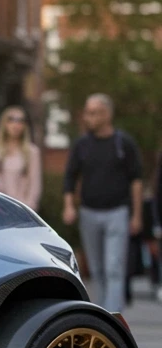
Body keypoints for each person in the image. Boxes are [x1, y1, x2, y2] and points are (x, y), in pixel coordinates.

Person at [63, 94, 143, 313]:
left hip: (117, 212)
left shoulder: (123, 143)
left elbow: (136, 180)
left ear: (107, 114)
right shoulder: (82, 145)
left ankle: (113, 316)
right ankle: (103, 310)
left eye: (94, 112)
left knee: (114, 267)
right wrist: (69, 205)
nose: (89, 117)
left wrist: (136, 215)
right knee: (97, 269)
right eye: (87, 112)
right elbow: (70, 176)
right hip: (89, 213)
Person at [0, 106, 43, 212]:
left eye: (20, 121)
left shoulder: (31, 152)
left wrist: (28, 208)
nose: (16, 125)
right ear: (4, 124)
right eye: (11, 120)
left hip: (21, 209)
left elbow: (35, 184)